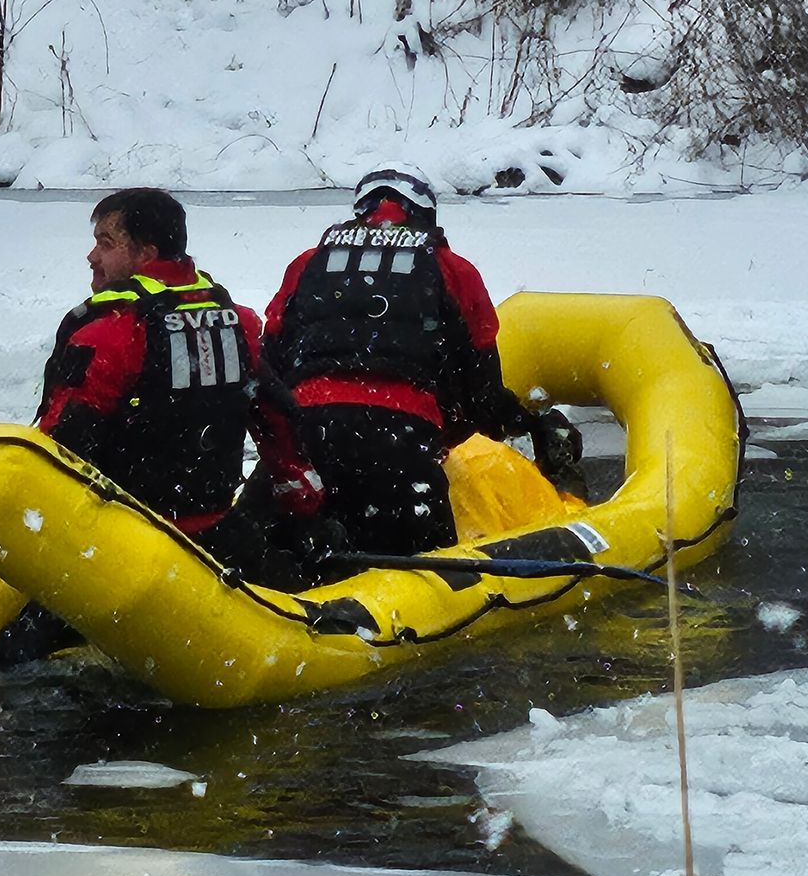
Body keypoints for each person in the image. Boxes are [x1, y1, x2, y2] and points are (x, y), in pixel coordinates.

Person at [256, 165, 579, 580]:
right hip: (401, 443)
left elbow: (267, 368)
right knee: (431, 584)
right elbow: (481, 393)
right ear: (426, 215)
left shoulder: (308, 264)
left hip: (306, 438)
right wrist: (527, 425)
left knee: (263, 567)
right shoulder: (452, 270)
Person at [37, 187, 267, 537]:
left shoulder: (109, 336)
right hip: (215, 533)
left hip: (124, 536)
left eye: (106, 244)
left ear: (147, 253)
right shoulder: (242, 325)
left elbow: (57, 453)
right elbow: (277, 422)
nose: (91, 256)